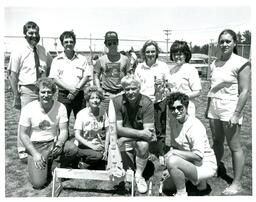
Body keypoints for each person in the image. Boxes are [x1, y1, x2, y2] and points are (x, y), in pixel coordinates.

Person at [205, 29, 251, 195]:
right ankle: (214, 169)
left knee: (235, 146)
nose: (224, 44)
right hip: (214, 108)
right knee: (217, 141)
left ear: (234, 43)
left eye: (228, 41)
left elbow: (245, 91)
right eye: (222, 41)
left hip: (230, 107)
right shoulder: (215, 63)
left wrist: (236, 114)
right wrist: (208, 107)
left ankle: (237, 183)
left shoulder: (242, 62)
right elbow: (212, 88)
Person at [19, 78, 78, 189]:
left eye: (49, 92)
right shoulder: (28, 109)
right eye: (43, 92)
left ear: (54, 93)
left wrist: (60, 143)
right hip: (36, 146)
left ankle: (53, 163)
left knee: (72, 148)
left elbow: (64, 130)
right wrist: (35, 154)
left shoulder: (60, 107)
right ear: (38, 93)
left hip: (53, 143)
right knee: (38, 184)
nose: (46, 95)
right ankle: (43, 163)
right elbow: (23, 134)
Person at [8, 21, 52, 160]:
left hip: (42, 90)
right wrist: (16, 96)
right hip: (27, 89)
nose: (34, 35)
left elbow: (50, 66)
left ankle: (39, 144)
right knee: (25, 120)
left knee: (42, 117)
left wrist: (46, 80)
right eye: (30, 33)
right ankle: (22, 151)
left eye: (36, 33)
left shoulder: (43, 50)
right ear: (25, 35)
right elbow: (12, 75)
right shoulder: (18, 51)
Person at [163, 92, 217, 196]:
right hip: (189, 160)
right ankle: (198, 182)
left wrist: (173, 154)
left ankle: (182, 193)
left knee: (172, 160)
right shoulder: (173, 122)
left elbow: (198, 156)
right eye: (172, 108)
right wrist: (168, 169)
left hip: (205, 163)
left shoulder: (195, 126)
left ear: (186, 107)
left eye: (180, 108)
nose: (176, 111)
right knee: (167, 187)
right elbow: (175, 145)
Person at [112, 75, 157, 194]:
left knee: (143, 145)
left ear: (139, 87)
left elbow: (149, 133)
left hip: (135, 139)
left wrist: (127, 138)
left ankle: (139, 176)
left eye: (133, 88)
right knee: (127, 172)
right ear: (123, 89)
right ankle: (131, 170)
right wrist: (139, 133)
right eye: (127, 89)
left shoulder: (147, 102)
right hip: (124, 138)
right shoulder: (116, 101)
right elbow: (118, 129)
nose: (130, 92)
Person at [134, 40, 169, 160]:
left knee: (160, 127)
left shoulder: (163, 66)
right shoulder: (139, 67)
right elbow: (136, 86)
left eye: (153, 51)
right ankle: (145, 151)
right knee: (145, 127)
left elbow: (169, 83)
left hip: (160, 100)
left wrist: (163, 82)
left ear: (156, 52)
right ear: (144, 53)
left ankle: (161, 153)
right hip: (144, 102)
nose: (150, 54)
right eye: (148, 51)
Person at [49, 30, 91, 119]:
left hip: (79, 94)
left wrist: (76, 90)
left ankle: (79, 134)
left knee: (82, 120)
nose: (69, 44)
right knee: (63, 120)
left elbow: (86, 76)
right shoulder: (56, 60)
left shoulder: (82, 59)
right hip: (63, 95)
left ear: (74, 43)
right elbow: (54, 78)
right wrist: (70, 89)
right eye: (66, 42)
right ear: (62, 43)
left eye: (71, 41)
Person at [93, 31, 131, 113]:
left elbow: (129, 75)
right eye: (109, 43)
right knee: (103, 118)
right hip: (106, 94)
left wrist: (126, 90)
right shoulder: (101, 60)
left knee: (121, 118)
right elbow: (96, 75)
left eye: (114, 43)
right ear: (106, 44)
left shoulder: (125, 59)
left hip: (121, 93)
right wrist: (99, 88)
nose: (112, 45)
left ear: (118, 43)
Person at [74, 86, 109, 169]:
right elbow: (77, 135)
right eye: (92, 98)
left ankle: (89, 161)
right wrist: (91, 146)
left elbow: (108, 131)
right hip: (83, 144)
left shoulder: (103, 113)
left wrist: (106, 148)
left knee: (103, 157)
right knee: (98, 156)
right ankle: (81, 162)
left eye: (97, 98)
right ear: (88, 100)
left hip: (97, 143)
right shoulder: (81, 114)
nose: (95, 100)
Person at [167, 40, 202, 116]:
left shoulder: (191, 70)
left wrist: (181, 97)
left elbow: (197, 92)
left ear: (185, 55)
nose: (176, 57)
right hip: (173, 108)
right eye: (174, 54)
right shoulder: (171, 70)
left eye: (179, 54)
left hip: (187, 108)